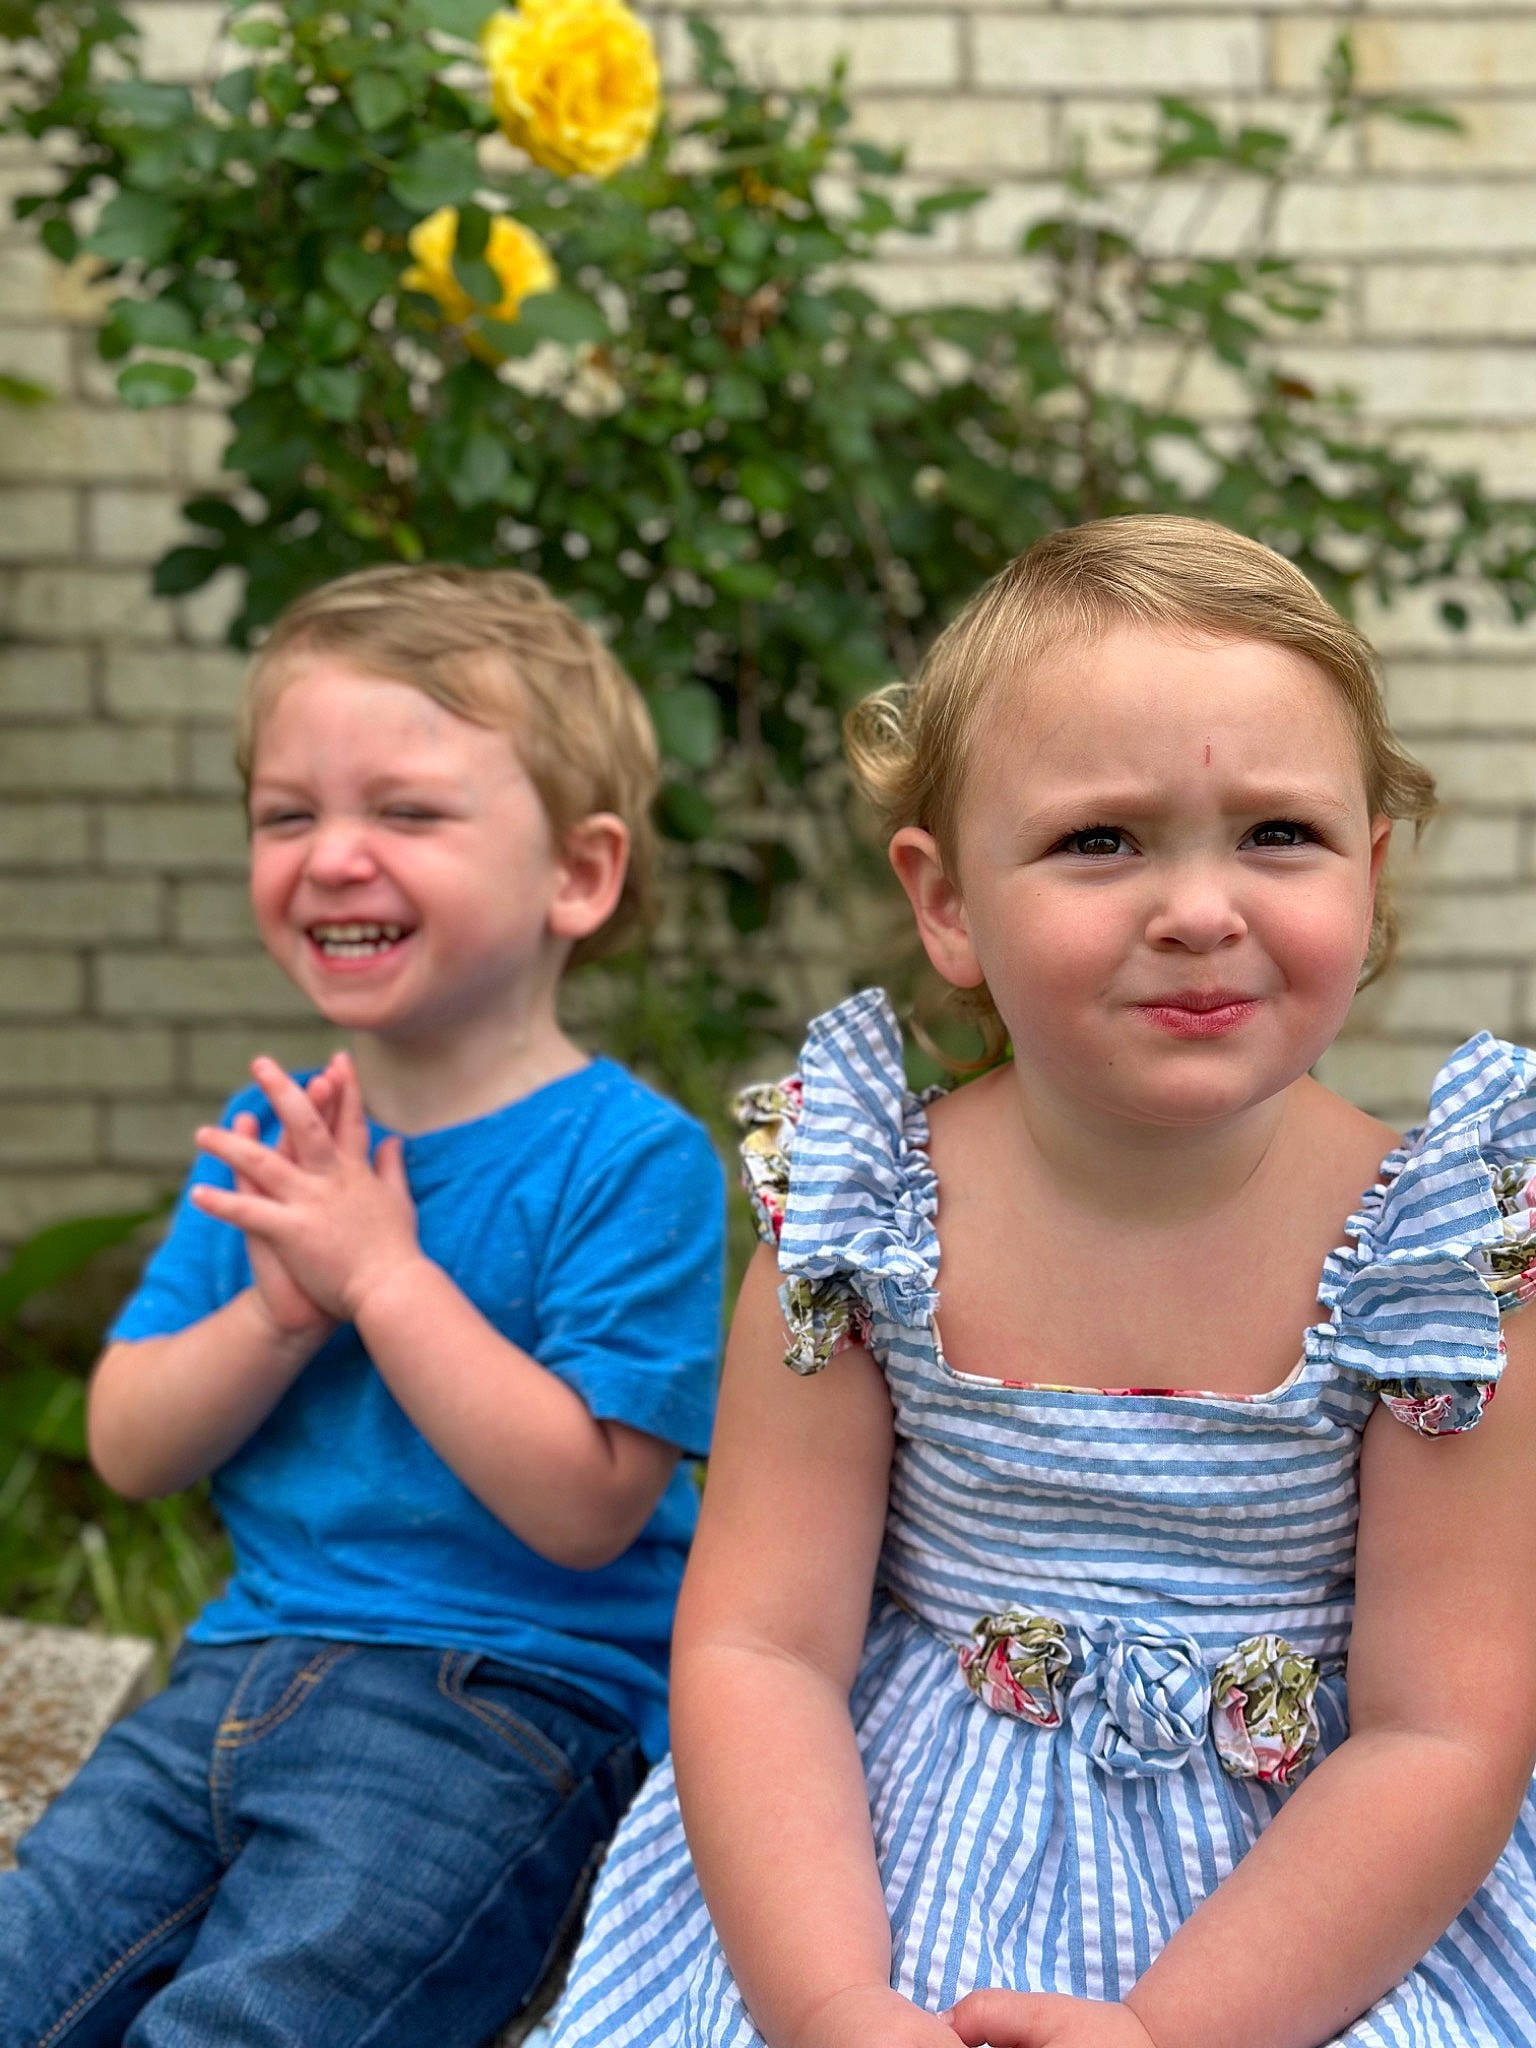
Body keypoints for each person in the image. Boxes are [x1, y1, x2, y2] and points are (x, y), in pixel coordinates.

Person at [549, 515, 1536, 2048]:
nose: (1201, 908)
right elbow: (763, 1646)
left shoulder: (1436, 1258)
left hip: (1319, 1898)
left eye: (1280, 834)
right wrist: (828, 2003)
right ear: (947, 904)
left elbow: (1443, 1727)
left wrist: (1167, 2032)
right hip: (887, 1857)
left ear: (1372, 866)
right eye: (1101, 840)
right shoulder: (864, 1217)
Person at [0, 566, 725, 2048]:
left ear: (576, 877)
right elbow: (130, 1445)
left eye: (406, 814)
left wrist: (386, 1282)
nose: (333, 857)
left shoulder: (629, 1157)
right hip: (230, 1677)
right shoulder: (285, 1137)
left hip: (493, 1708)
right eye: (288, 815)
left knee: (259, 2024)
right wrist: (276, 1310)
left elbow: (589, 1504)